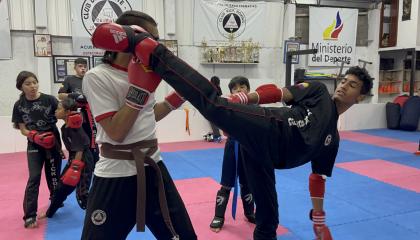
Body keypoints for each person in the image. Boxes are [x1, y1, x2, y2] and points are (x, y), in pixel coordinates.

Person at [91, 23, 374, 240]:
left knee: (268, 217)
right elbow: (276, 93)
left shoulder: (331, 142)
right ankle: (152, 50)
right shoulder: (318, 93)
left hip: (265, 157)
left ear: (360, 98)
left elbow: (317, 179)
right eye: (344, 80)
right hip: (268, 127)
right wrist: (241, 99)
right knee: (214, 105)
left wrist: (319, 221)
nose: (343, 86)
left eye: (352, 86)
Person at [81, 11, 196, 240]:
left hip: (154, 167)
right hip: (116, 174)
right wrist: (139, 92)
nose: (156, 46)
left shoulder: (145, 70)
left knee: (184, 236)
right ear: (127, 37)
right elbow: (116, 131)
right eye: (152, 38)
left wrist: (176, 99)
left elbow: (147, 116)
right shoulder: (97, 77)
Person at [12, 71, 63, 228]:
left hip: (53, 141)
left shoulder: (49, 99)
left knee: (53, 176)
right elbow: (23, 129)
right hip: (34, 145)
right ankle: (30, 215)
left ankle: (54, 203)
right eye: (28, 83)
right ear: (21, 87)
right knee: (34, 177)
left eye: (34, 82)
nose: (33, 86)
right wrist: (34, 136)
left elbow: (62, 114)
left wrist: (70, 108)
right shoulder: (19, 105)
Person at [210, 76, 255, 232]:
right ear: (231, 92)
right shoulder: (228, 106)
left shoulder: (254, 106)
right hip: (232, 146)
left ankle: (250, 212)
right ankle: (219, 216)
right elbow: (223, 127)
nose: (239, 90)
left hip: (249, 148)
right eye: (235, 89)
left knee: (247, 183)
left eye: (242, 87)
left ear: (248, 90)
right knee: (227, 182)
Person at [39, 98, 94, 218]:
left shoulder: (74, 126)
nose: (55, 111)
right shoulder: (67, 125)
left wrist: (75, 168)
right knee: (61, 188)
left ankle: (100, 216)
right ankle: (50, 213)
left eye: (59, 109)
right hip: (75, 158)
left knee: (82, 194)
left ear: (67, 111)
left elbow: (81, 148)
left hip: (82, 159)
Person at [58, 57, 99, 208]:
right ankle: (69, 192)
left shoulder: (89, 79)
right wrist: (74, 97)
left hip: (91, 119)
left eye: (84, 66)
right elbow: (61, 95)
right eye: (80, 66)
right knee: (79, 158)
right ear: (75, 67)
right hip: (77, 122)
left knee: (93, 158)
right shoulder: (69, 79)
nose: (83, 69)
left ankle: (90, 193)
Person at [204, 76, 223, 142]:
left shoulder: (210, 88)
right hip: (218, 107)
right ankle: (214, 136)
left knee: (213, 123)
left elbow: (209, 98)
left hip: (212, 108)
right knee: (214, 123)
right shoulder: (218, 88)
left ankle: (217, 136)